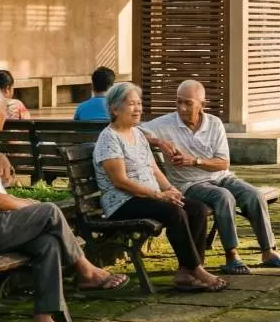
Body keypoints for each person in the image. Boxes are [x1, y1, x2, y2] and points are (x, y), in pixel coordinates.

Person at [0, 85, 128, 322]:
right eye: (5, 110)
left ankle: (43, 321)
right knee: (49, 211)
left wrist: (1, 158)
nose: (7, 115)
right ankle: (86, 271)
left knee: (47, 243)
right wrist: (30, 205)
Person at [141, 80, 280, 274]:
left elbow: (223, 163)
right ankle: (231, 255)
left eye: (188, 103)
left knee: (254, 195)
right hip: (190, 184)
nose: (182, 108)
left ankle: (268, 251)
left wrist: (194, 161)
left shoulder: (214, 123)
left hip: (222, 177)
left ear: (202, 104)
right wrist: (159, 141)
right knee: (223, 196)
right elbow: (133, 132)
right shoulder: (165, 124)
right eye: (178, 101)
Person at [94, 83, 226, 291]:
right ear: (114, 109)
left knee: (197, 209)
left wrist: (170, 189)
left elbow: (154, 169)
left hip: (147, 197)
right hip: (123, 202)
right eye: (132, 104)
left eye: (139, 103)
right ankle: (197, 269)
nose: (138, 109)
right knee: (174, 212)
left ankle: (185, 271)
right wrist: (158, 195)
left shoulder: (137, 134)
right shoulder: (109, 138)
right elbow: (120, 181)